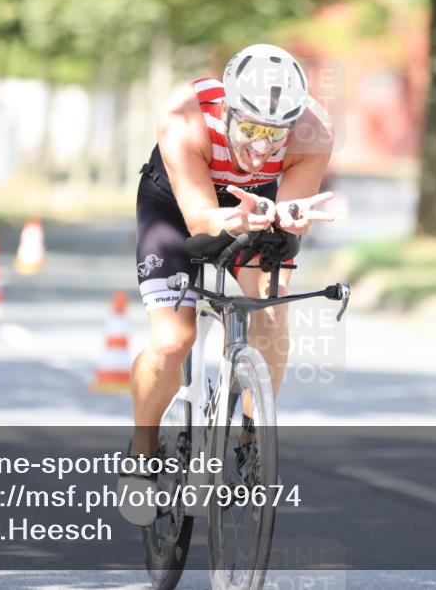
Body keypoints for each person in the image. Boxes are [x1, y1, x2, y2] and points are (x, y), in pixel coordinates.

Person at [123, 44, 335, 522]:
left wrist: (291, 218)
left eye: (275, 134)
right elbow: (200, 220)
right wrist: (237, 218)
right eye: (252, 129)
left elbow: (292, 215)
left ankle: (251, 440)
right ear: (228, 110)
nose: (262, 147)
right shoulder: (185, 117)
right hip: (177, 208)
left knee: (272, 310)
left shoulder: (314, 132)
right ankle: (142, 451)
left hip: (254, 205)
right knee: (173, 341)